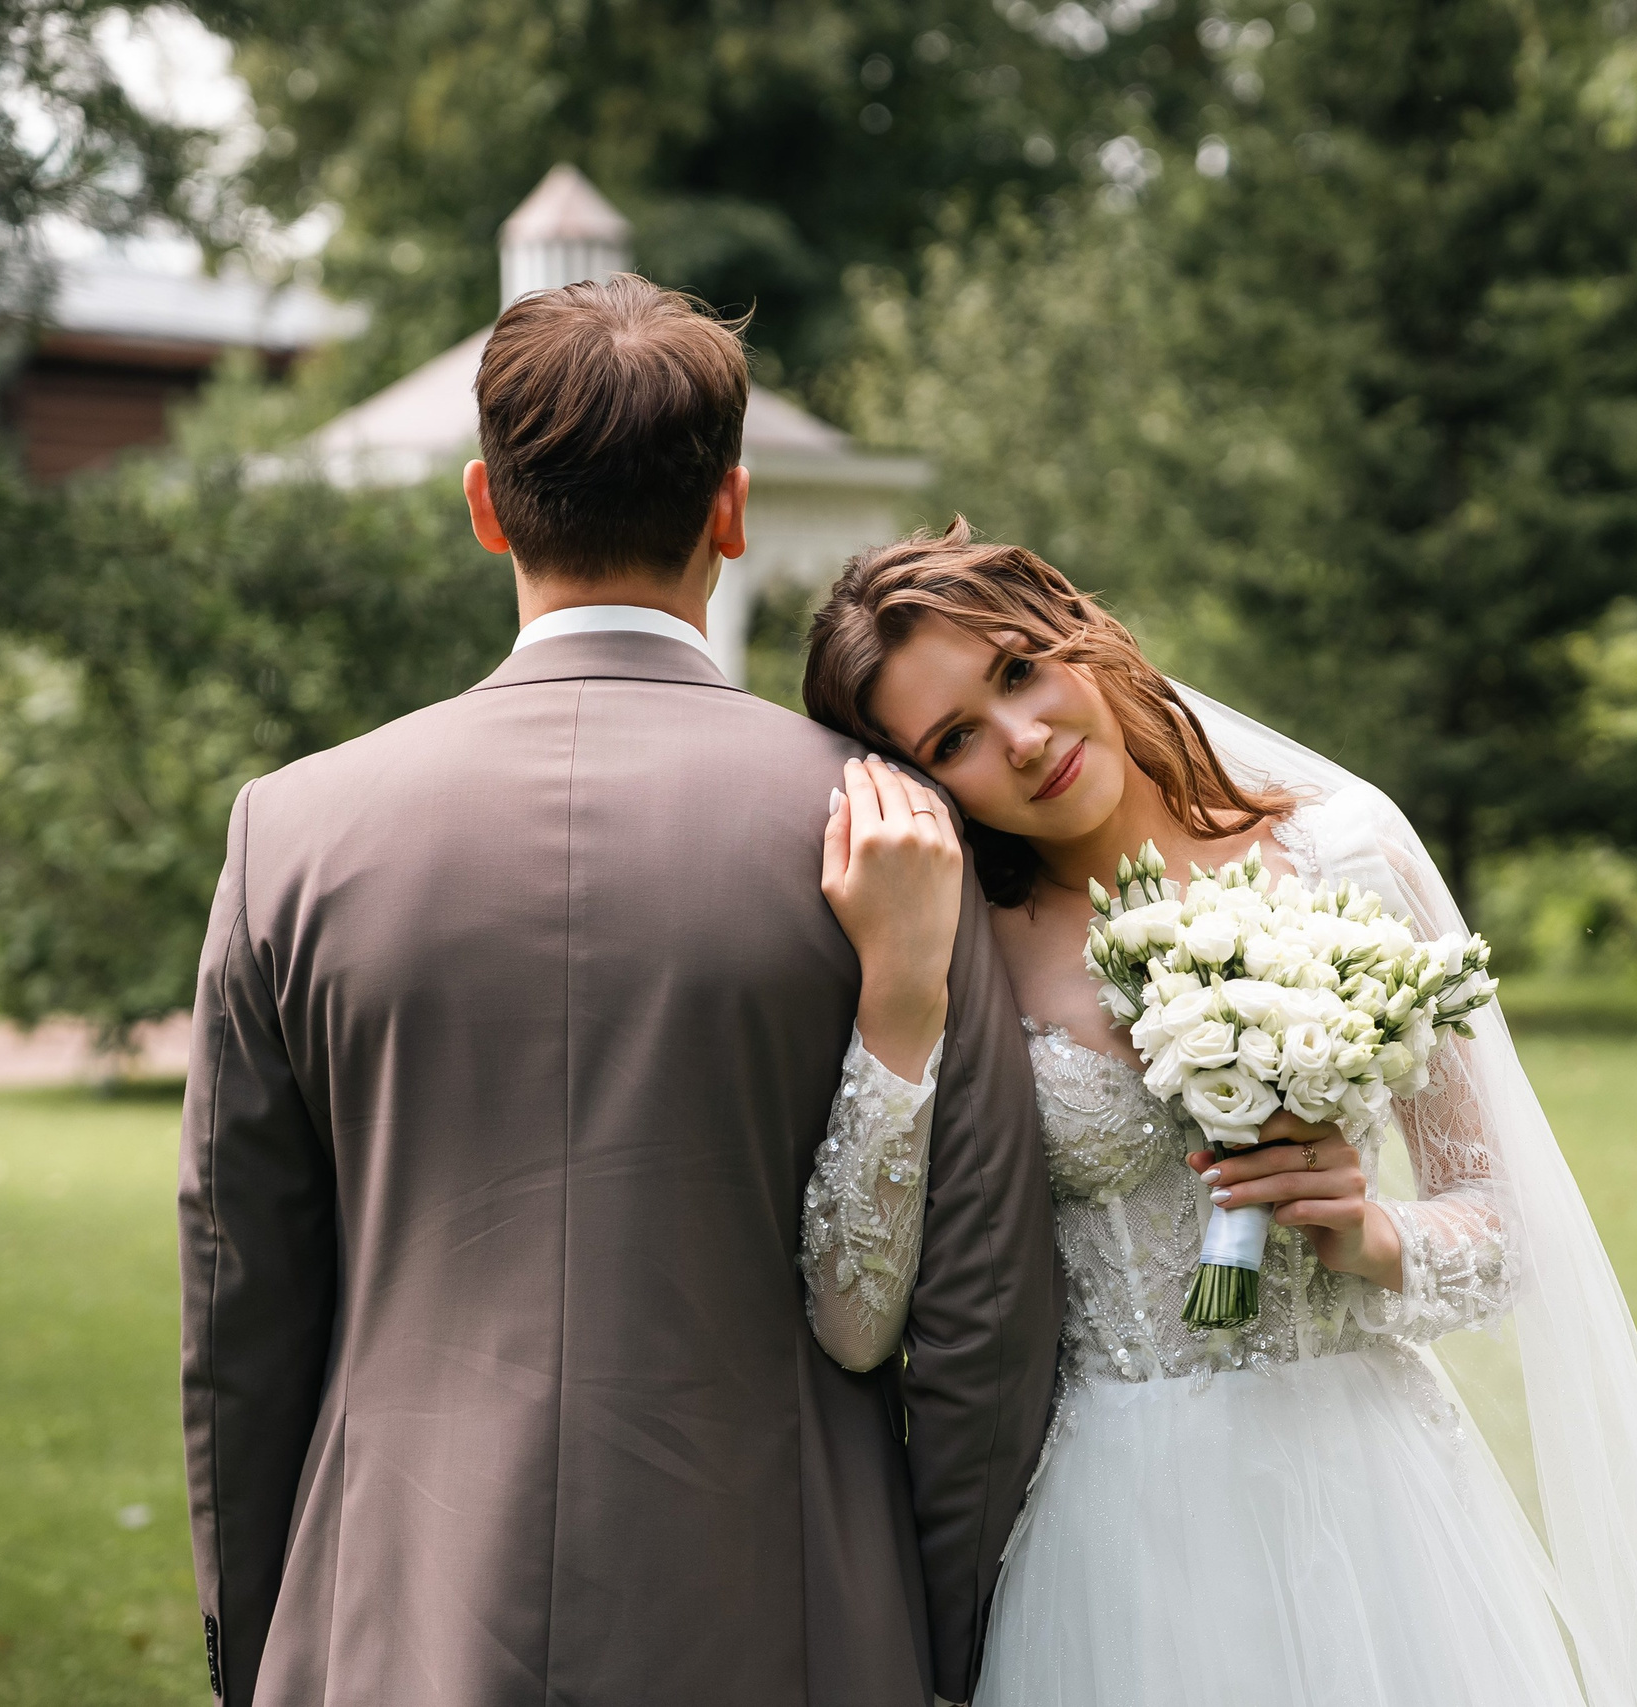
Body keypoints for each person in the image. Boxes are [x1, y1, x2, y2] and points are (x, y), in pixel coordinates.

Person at [175, 280, 1063, 1707]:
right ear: (731, 508)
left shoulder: (292, 834)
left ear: (485, 506)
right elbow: (981, 1311)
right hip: (791, 1620)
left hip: (395, 1614)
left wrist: (262, 1638)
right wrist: (939, 1636)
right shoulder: (891, 833)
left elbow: (242, 1309)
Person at [796, 521, 1637, 1707]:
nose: (1024, 737)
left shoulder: (1344, 858)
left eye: (1018, 670)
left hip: (1376, 1500)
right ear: (919, 781)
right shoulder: (956, 951)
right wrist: (898, 1002)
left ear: (1081, 636)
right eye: (954, 738)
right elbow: (853, 1319)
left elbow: (1507, 1222)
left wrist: (1377, 1236)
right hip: (1124, 1535)